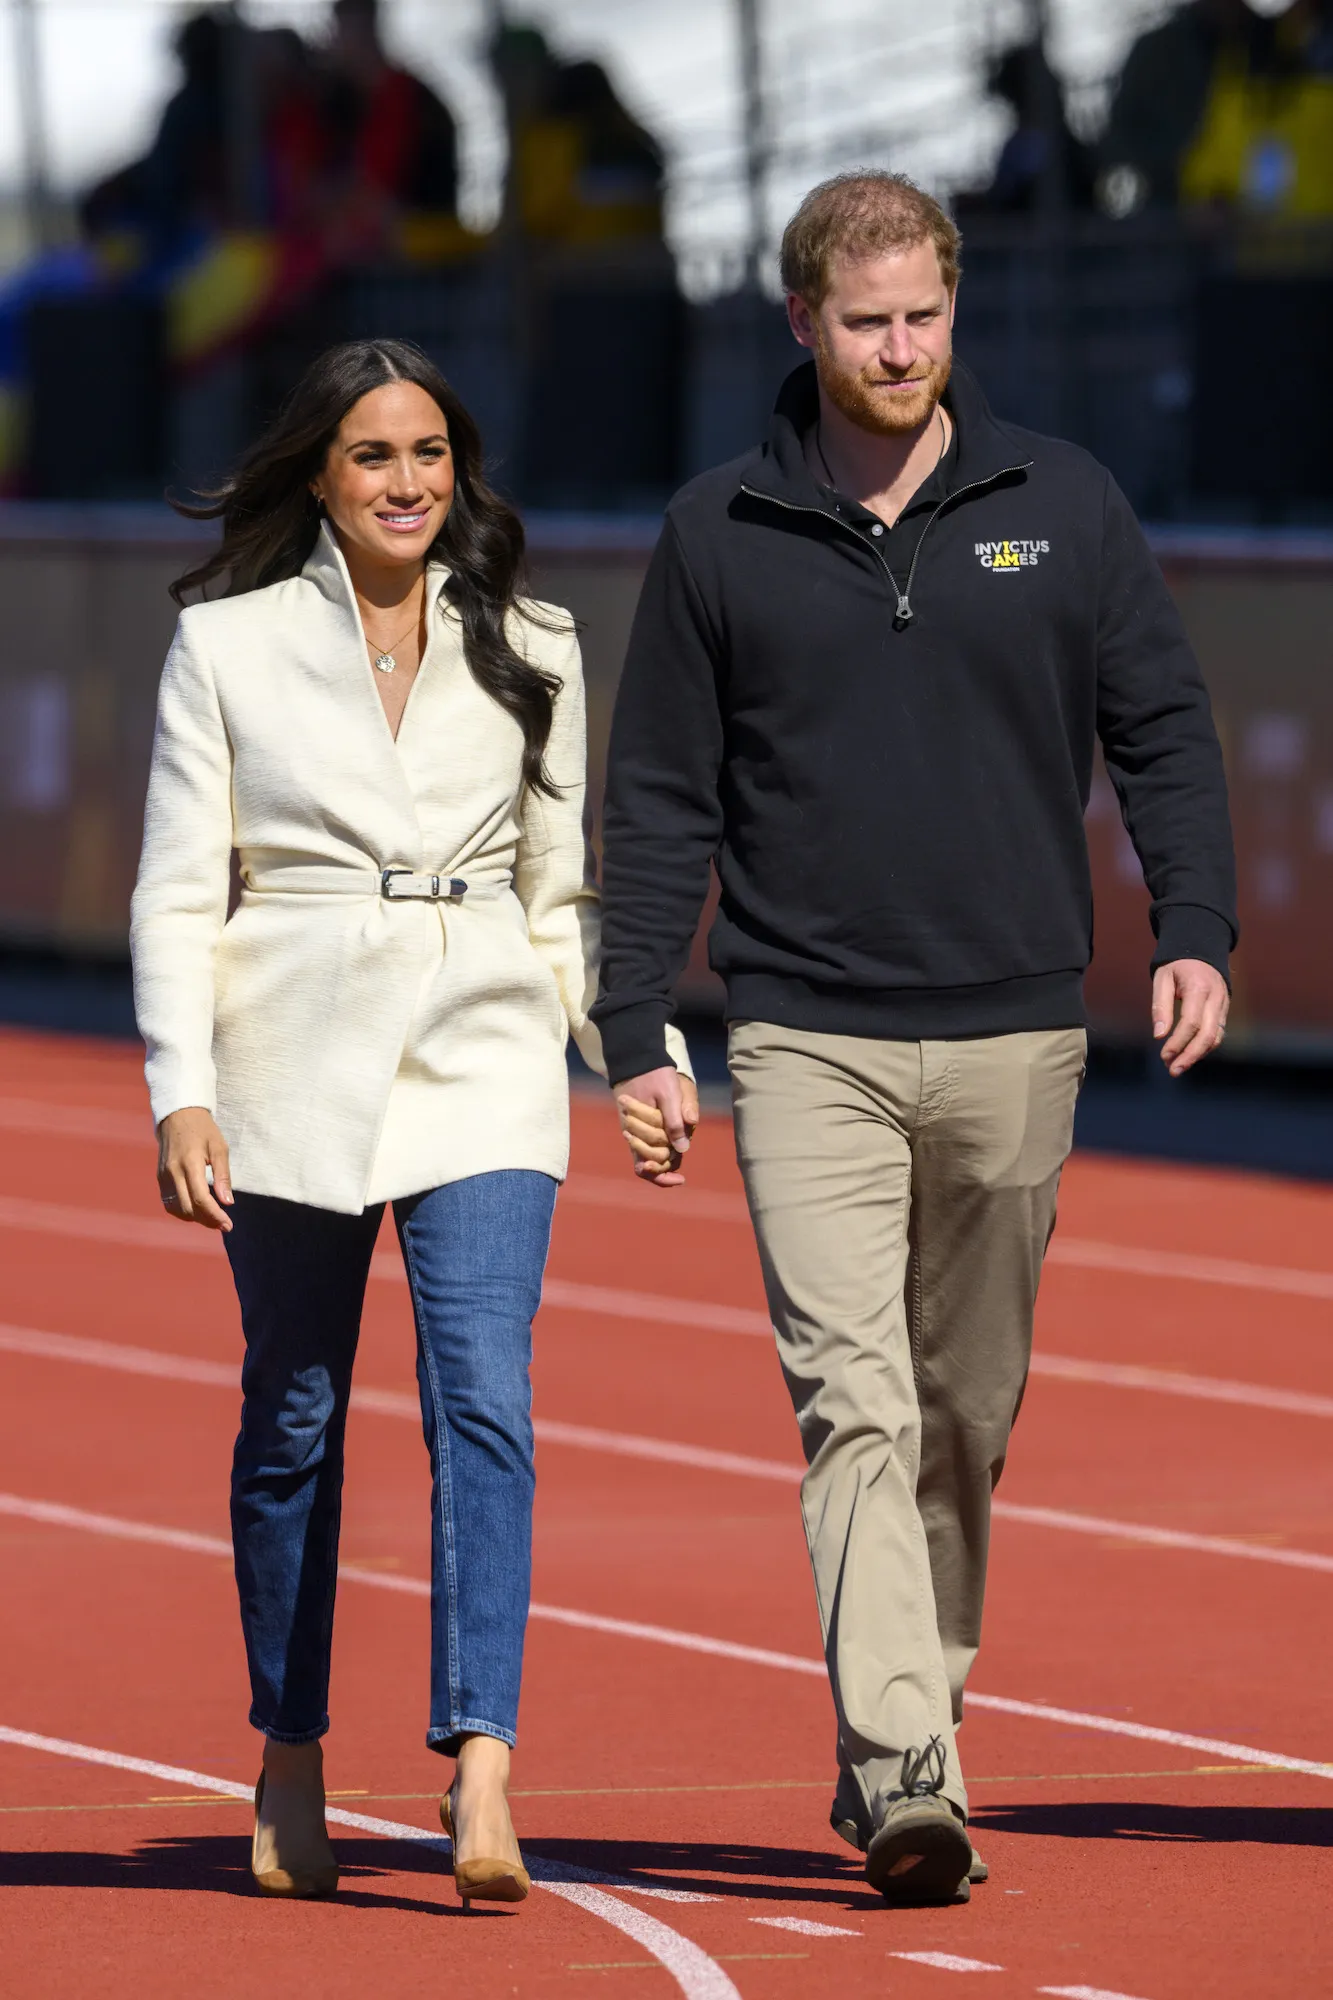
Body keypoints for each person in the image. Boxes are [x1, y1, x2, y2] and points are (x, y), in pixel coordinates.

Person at [593, 172, 1235, 1907]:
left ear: (956, 312)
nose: (899, 349)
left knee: (963, 1412)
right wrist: (636, 1019)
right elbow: (659, 798)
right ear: (803, 322)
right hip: (804, 1037)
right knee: (855, 1404)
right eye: (866, 321)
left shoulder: (1063, 502)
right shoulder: (718, 530)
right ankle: (901, 1771)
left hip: (1018, 1027)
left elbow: (1164, 729)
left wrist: (1194, 928)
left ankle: (913, 1713)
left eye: (924, 317)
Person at [130, 337, 693, 1904]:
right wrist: (182, 1090)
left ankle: (484, 1761)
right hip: (288, 1059)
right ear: (318, 473)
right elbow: (176, 892)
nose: (406, 483)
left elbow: (561, 893)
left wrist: (634, 1054)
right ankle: (290, 1745)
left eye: (430, 454)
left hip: (484, 1050)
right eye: (374, 455)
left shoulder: (535, 641)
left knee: (484, 1396)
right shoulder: (226, 646)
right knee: (294, 1417)